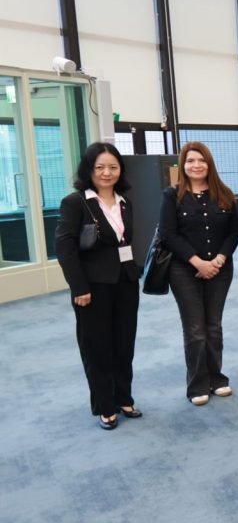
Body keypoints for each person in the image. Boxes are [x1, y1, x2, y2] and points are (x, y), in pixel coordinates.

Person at [55, 142, 142, 429]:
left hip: (125, 283)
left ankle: (124, 397)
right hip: (92, 287)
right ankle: (105, 405)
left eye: (113, 167)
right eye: (100, 167)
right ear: (89, 170)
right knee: (97, 346)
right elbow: (65, 248)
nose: (107, 172)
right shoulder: (75, 202)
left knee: (124, 343)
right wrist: (78, 287)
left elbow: (125, 242)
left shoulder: (124, 201)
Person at [159, 141, 238, 406]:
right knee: (195, 329)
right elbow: (168, 234)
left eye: (201, 160)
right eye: (191, 161)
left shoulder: (225, 194)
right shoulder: (172, 196)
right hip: (184, 271)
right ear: (183, 165)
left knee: (213, 326)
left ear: (209, 164)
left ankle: (217, 378)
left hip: (220, 269)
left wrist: (219, 259)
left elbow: (234, 231)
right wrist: (198, 262)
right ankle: (197, 385)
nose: (196, 165)